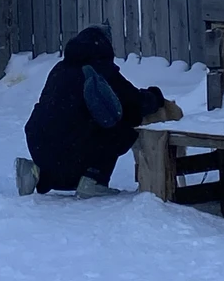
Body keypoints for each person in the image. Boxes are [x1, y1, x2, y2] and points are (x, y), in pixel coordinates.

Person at [15, 25, 179, 198]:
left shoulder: (59, 68)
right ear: (103, 46)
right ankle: (93, 178)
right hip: (73, 150)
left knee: (67, 136)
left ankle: (37, 171)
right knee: (125, 126)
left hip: (39, 143)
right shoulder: (100, 69)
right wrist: (156, 96)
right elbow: (134, 102)